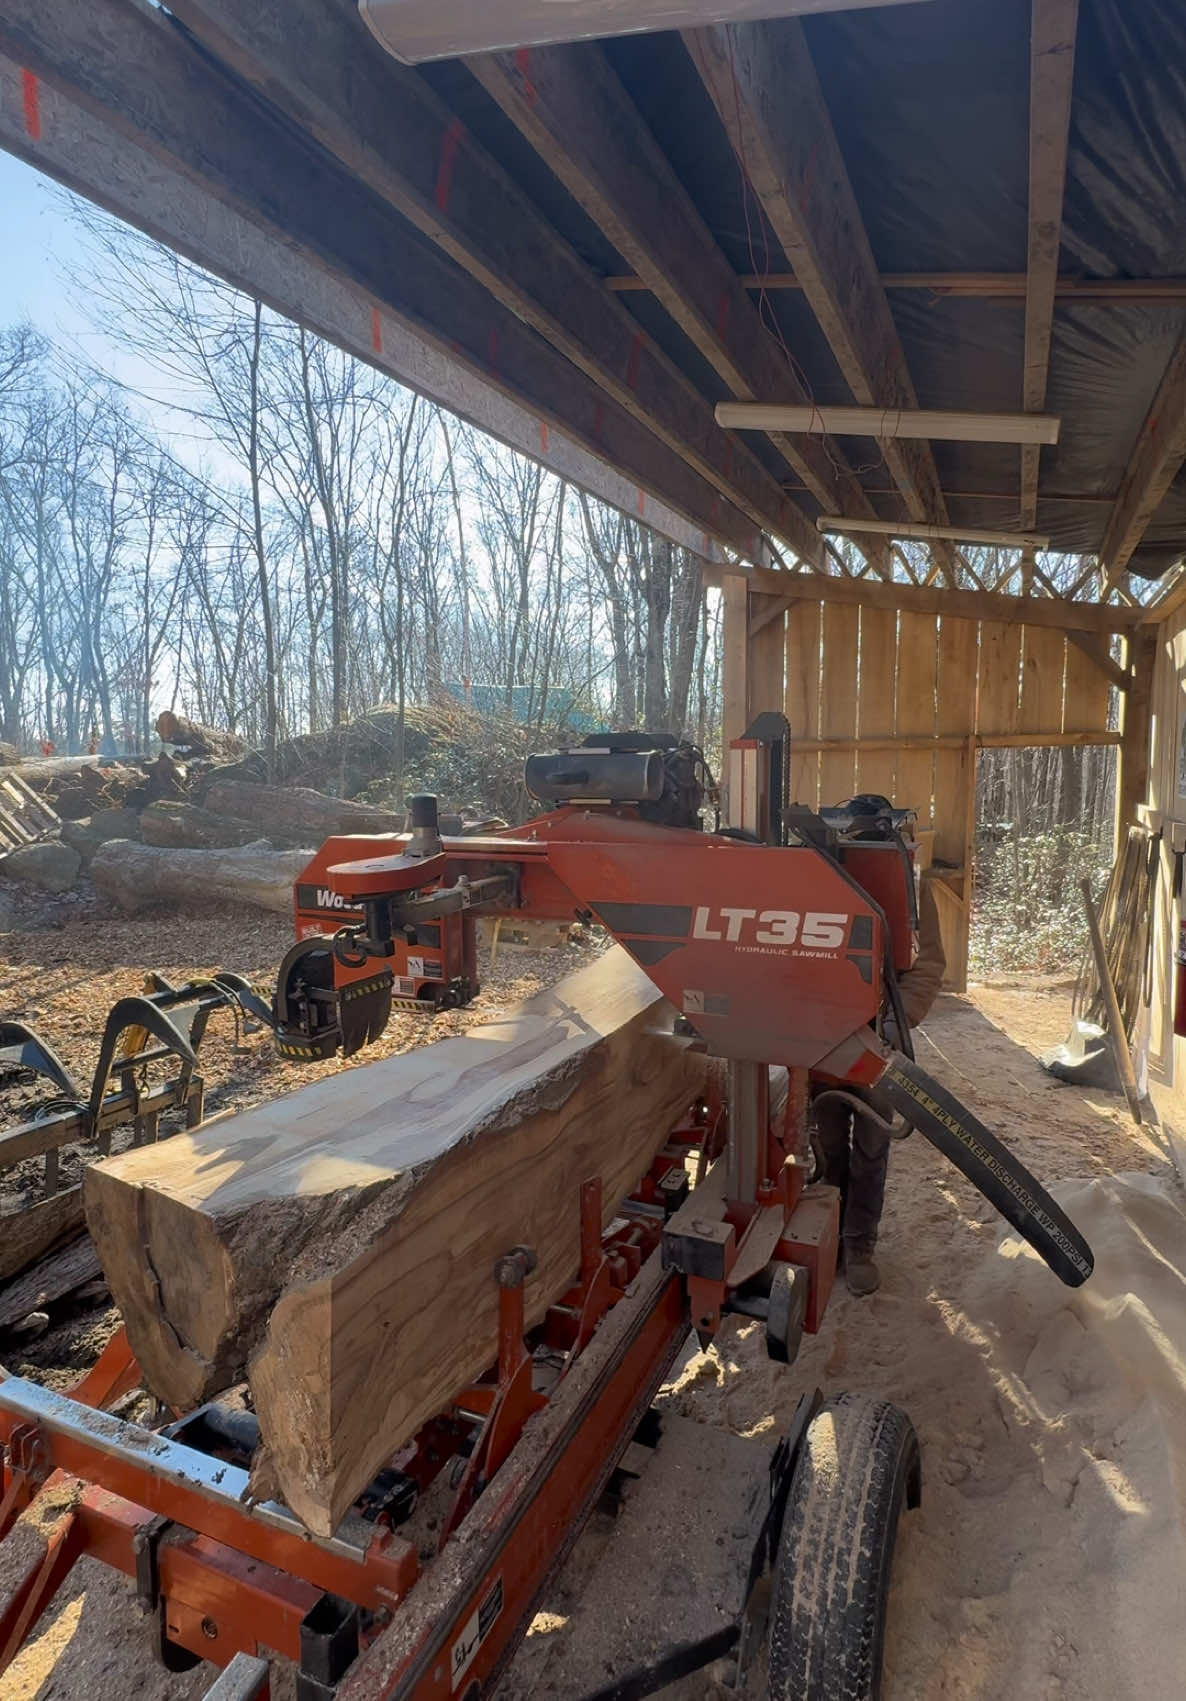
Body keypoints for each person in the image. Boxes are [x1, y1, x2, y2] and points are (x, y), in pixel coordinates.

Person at [812, 870, 946, 1297]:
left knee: (871, 1147)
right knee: (825, 1143)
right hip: (823, 1035)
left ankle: (859, 1245)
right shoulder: (816, 865)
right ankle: (827, 1236)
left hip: (878, 1042)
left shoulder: (911, 876)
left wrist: (889, 1028)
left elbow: (927, 964)